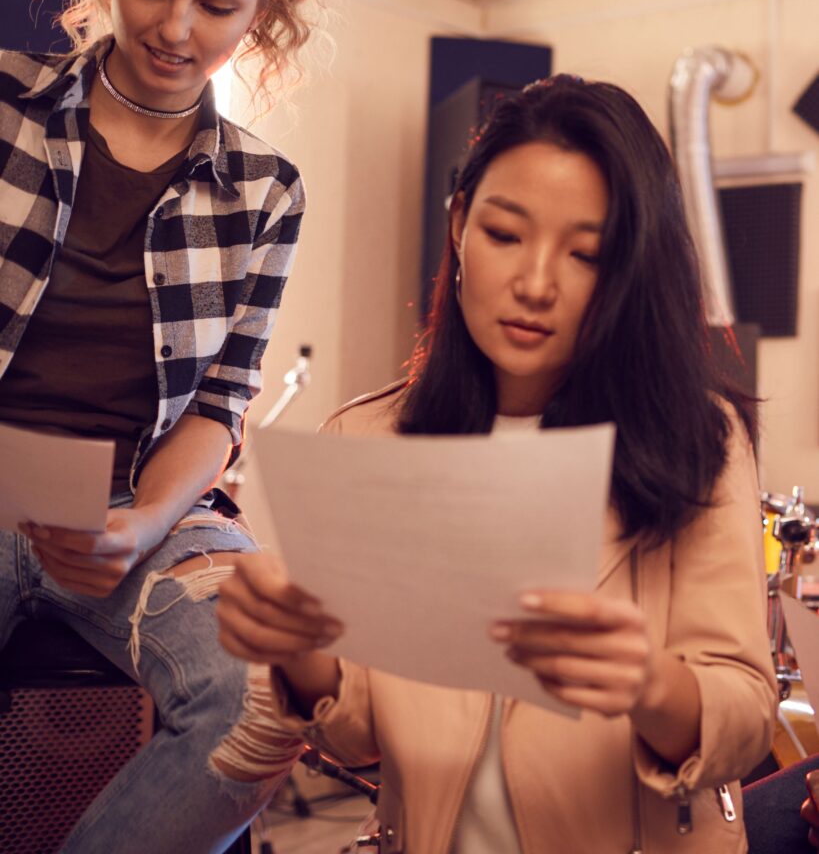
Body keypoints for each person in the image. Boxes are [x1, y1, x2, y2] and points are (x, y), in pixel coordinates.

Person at [217, 76, 778, 852]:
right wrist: (297, 648)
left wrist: (651, 684)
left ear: (629, 269)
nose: (534, 284)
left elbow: (748, 722)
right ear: (458, 224)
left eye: (585, 253)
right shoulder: (372, 439)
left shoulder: (695, 440)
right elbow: (357, 737)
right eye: (505, 235)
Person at [0, 0, 327, 850]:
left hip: (141, 512)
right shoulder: (7, 102)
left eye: (217, 5)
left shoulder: (267, 191)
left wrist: (140, 525)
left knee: (264, 694)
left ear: (262, 11)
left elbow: (221, 406)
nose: (174, 27)